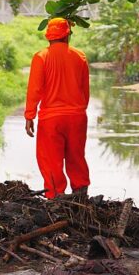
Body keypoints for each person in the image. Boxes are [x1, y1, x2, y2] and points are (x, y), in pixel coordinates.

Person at [24, 17, 90, 199]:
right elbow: (85, 91)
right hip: (77, 117)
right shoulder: (80, 56)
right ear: (67, 35)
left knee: (51, 161)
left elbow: (35, 89)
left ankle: (56, 199)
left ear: (49, 37)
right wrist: (79, 110)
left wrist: (29, 115)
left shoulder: (41, 57)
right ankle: (81, 195)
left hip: (51, 119)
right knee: (76, 157)